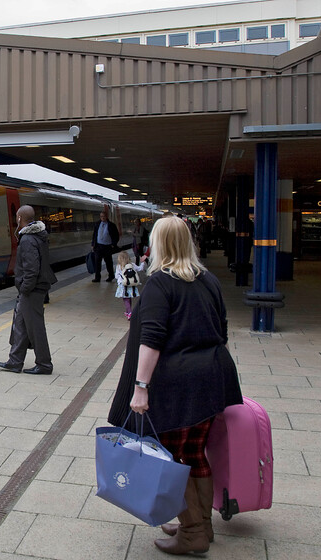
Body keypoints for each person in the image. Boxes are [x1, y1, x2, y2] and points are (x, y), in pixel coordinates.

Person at [107, 215, 243, 555]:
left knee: (171, 459)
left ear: (158, 244)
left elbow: (151, 340)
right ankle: (202, 524)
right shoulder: (208, 279)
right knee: (195, 453)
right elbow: (222, 333)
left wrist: (140, 387)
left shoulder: (159, 283)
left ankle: (192, 533)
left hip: (177, 383)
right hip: (212, 376)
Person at [0, 205, 58, 375]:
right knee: (21, 324)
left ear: (19, 218)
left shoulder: (28, 240)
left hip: (32, 290)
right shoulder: (36, 236)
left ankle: (44, 364)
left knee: (35, 327)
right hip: (34, 289)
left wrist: (24, 288)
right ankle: (15, 361)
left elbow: (32, 269)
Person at [114, 250, 146, 320]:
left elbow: (116, 276)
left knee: (126, 300)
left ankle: (130, 313)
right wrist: (142, 262)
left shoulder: (119, 266)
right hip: (131, 285)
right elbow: (140, 268)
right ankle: (128, 311)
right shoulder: (132, 265)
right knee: (129, 298)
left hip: (123, 286)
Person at [92, 211, 119, 283]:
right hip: (98, 246)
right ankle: (97, 277)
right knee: (97, 262)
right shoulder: (97, 224)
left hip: (107, 246)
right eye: (101, 216)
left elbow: (116, 235)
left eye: (103, 216)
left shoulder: (111, 225)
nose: (102, 218)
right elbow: (94, 235)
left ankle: (111, 276)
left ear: (106, 217)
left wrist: (113, 244)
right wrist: (93, 244)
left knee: (108, 262)